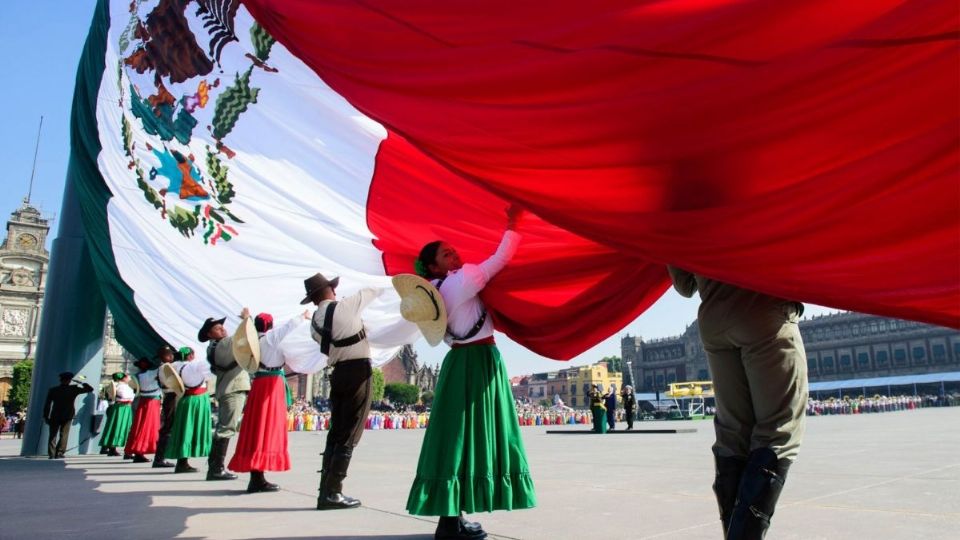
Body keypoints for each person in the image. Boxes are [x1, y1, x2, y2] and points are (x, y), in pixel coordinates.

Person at [405, 204, 536, 540]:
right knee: (472, 436)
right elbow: (500, 258)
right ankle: (451, 524)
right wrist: (513, 223)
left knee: (456, 438)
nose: (456, 255)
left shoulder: (433, 296)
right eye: (447, 254)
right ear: (434, 265)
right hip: (479, 361)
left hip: (458, 363)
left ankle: (451, 518)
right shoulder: (460, 282)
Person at [667, 267, 808, 539]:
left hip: (714, 322)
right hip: (764, 310)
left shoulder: (680, 220)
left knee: (733, 437)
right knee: (778, 431)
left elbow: (685, 287)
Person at [304, 272, 380, 510]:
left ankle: (325, 490)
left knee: (336, 431)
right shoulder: (346, 306)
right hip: (358, 371)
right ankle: (333, 492)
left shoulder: (314, 323)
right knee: (350, 431)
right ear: (330, 290)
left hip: (337, 373)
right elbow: (375, 288)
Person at [228, 311, 308, 493]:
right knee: (268, 428)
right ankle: (258, 478)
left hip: (259, 382)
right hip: (272, 383)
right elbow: (289, 326)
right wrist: (302, 316)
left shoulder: (254, 341)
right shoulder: (271, 338)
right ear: (271, 326)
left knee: (257, 428)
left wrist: (245, 319)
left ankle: (256, 476)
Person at [199, 309, 251, 481]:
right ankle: (216, 468)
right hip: (233, 389)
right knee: (226, 429)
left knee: (224, 427)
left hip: (227, 388)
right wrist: (246, 320)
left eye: (222, 326)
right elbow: (244, 337)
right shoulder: (222, 344)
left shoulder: (213, 347)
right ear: (209, 334)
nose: (222, 329)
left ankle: (214, 466)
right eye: (217, 328)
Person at [165, 347, 213, 473]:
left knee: (185, 429)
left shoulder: (177, 367)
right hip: (198, 399)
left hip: (186, 398)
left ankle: (182, 460)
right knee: (193, 429)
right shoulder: (195, 366)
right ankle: (184, 462)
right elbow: (211, 372)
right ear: (191, 355)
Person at [42, 372, 94, 458]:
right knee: (64, 434)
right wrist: (80, 382)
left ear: (60, 380)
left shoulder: (53, 390)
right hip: (68, 414)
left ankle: (51, 453)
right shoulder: (73, 389)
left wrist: (45, 416)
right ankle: (59, 452)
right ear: (70, 380)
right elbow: (90, 389)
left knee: (52, 435)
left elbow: (47, 404)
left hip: (55, 414)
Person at [124, 358, 162, 463]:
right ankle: (140, 451)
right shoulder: (152, 373)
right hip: (150, 402)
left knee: (140, 426)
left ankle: (137, 451)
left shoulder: (138, 376)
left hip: (144, 401)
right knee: (145, 427)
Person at [152, 345, 178, 468]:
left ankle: (160, 457)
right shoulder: (166, 368)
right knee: (168, 427)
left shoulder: (164, 367)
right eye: (169, 354)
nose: (172, 356)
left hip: (170, 397)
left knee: (168, 426)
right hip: (171, 396)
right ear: (164, 356)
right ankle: (160, 458)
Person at [99, 372, 135, 457]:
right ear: (123, 378)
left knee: (122, 427)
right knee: (116, 427)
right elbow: (124, 396)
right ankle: (112, 448)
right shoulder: (119, 386)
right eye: (127, 377)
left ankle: (110, 447)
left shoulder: (123, 386)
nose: (128, 378)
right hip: (120, 408)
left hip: (126, 408)